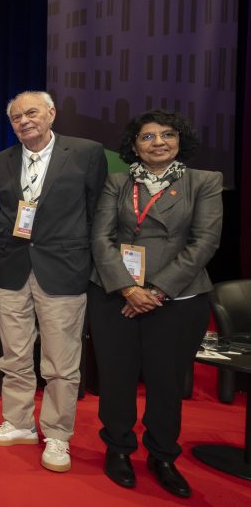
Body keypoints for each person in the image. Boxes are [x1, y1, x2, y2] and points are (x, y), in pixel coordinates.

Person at [89, 110, 222, 497]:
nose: (158, 142)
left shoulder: (204, 182)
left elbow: (204, 243)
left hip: (178, 298)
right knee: (117, 378)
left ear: (180, 141)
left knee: (166, 382)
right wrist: (129, 289)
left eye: (167, 135)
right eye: (148, 137)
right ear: (135, 146)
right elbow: (101, 238)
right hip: (115, 294)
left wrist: (158, 291)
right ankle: (118, 449)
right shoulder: (117, 182)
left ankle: (163, 455)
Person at [0, 91, 107, 473]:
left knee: (60, 362)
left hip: (63, 269)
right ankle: (19, 423)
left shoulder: (86, 152)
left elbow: (97, 212)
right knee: (14, 355)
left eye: (31, 112)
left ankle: (57, 435)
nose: (24, 121)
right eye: (16, 117)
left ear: (51, 113)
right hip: (12, 269)